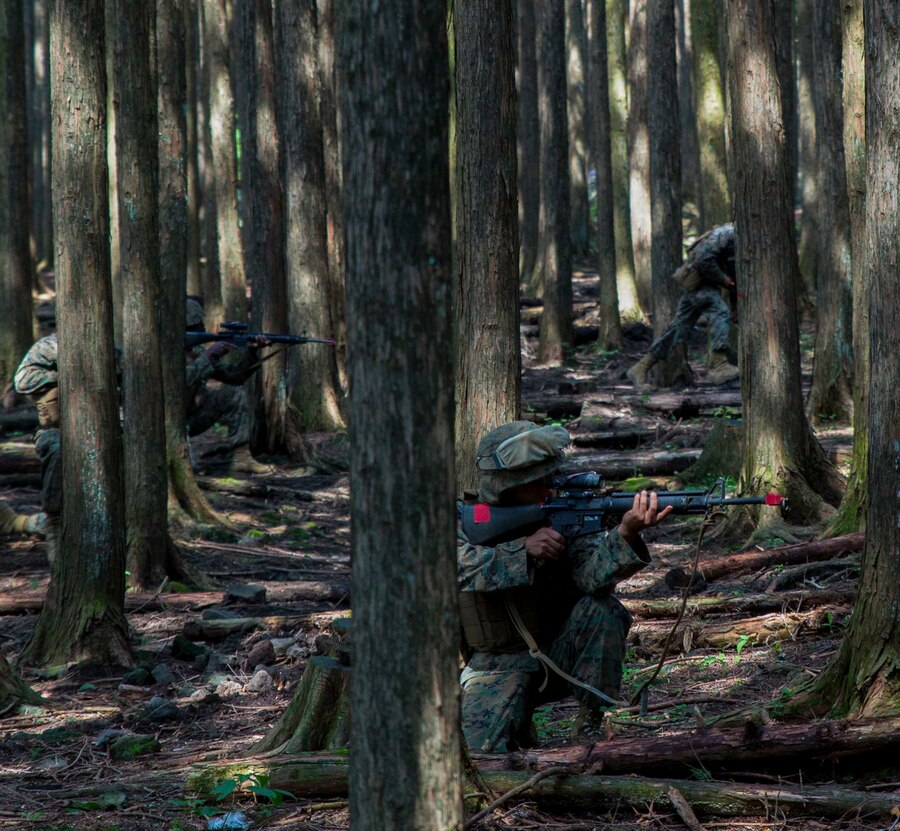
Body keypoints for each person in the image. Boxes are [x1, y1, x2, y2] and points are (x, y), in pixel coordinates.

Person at [457, 421, 672, 752]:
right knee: (481, 759)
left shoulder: (563, 512)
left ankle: (589, 726)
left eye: (550, 478)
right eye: (536, 482)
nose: (549, 487)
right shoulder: (464, 520)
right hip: (495, 666)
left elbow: (591, 579)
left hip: (558, 653)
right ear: (506, 487)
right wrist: (522, 551)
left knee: (604, 611)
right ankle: (519, 726)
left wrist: (625, 534)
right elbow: (452, 567)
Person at [626, 223, 740, 389]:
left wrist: (735, 304)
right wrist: (723, 279)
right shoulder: (728, 233)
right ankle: (720, 365)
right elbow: (703, 259)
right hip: (699, 282)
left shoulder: (743, 242)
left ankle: (641, 367)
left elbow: (733, 278)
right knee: (720, 312)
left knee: (678, 328)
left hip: (704, 285)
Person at [184, 298, 272, 474]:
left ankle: (241, 456)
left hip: (193, 417)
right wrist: (208, 356)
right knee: (189, 470)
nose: (200, 327)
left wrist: (252, 352)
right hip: (168, 422)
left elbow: (235, 377)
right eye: (194, 325)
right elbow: (182, 381)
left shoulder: (198, 351)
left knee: (233, 393)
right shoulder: (162, 352)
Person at [13, 332, 62, 560]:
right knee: (57, 450)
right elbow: (22, 380)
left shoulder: (110, 348)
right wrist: (60, 376)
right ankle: (53, 522)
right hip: (55, 431)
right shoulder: (51, 344)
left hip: (104, 432)